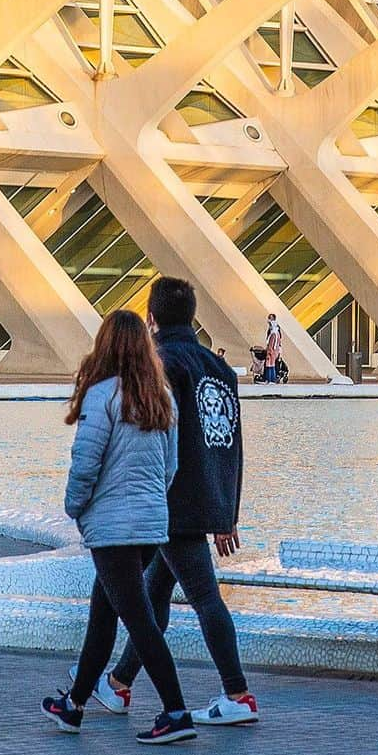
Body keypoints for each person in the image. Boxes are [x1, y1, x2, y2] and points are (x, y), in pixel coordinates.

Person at [91, 278, 258, 728]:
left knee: (203, 597)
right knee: (155, 593)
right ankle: (120, 683)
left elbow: (152, 439)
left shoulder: (160, 362)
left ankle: (237, 692)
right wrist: (228, 511)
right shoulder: (218, 369)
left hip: (170, 500)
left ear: (151, 317)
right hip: (205, 501)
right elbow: (229, 444)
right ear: (193, 315)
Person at [41, 309, 196, 746]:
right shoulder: (160, 397)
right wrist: (148, 507)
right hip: (149, 527)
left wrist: (75, 507)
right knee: (103, 614)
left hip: (113, 529)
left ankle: (176, 711)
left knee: (139, 621)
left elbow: (85, 464)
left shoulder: (102, 396)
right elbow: (171, 468)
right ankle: (73, 705)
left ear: (105, 345)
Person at [264, 313, 283, 385]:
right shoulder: (277, 333)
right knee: (272, 365)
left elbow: (272, 344)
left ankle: (270, 379)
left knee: (269, 365)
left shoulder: (273, 334)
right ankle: (272, 379)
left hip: (271, 351)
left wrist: (269, 351)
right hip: (275, 351)